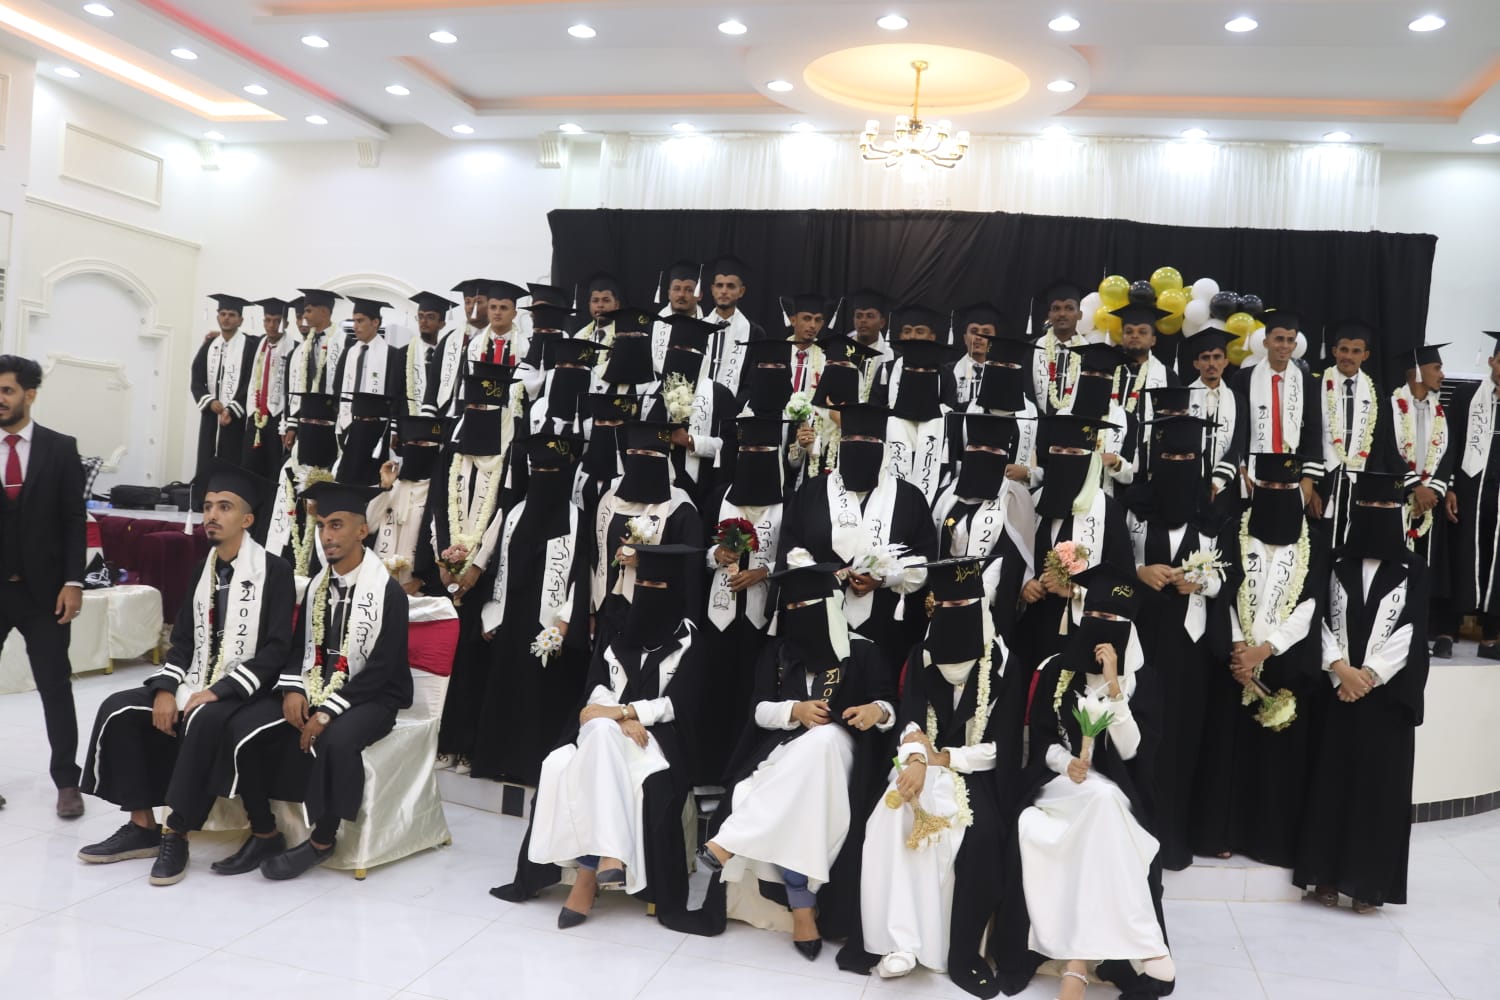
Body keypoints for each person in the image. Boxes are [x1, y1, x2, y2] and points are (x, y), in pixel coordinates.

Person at [77, 462, 294, 883]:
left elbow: (276, 649)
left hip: (248, 689)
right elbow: (183, 641)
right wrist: (166, 688)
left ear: (247, 520)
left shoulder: (275, 571)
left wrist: (220, 690)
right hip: (195, 679)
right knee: (119, 708)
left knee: (204, 717)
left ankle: (176, 832)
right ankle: (142, 827)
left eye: (224, 507)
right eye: (208, 506)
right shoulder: (202, 569)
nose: (212, 514)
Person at [685, 560, 896, 964]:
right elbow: (759, 710)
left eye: (808, 607)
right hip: (786, 756)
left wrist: (876, 711)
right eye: (793, 609)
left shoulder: (863, 651)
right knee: (803, 795)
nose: (799, 616)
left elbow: (890, 706)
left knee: (823, 739)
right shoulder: (779, 653)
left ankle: (727, 842)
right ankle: (802, 907)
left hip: (841, 754)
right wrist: (794, 710)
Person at [495, 543, 703, 926]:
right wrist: (618, 717)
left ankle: (587, 875)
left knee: (602, 741)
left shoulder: (691, 639)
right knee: (570, 754)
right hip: (607, 725)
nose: (648, 592)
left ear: (676, 589)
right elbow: (596, 687)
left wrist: (627, 712)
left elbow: (680, 703)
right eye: (643, 584)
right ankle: (608, 855)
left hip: (656, 736)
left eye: (658, 586)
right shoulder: (618, 628)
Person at [994, 570, 1176, 1000]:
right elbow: (1042, 741)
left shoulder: (1143, 680)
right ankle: (1147, 944)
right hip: (1058, 786)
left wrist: (1114, 685)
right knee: (1101, 797)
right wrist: (1067, 762)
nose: (1100, 626)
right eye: (1093, 615)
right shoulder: (1057, 669)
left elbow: (1132, 751)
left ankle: (1076, 963)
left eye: (1111, 619)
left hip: (1116, 789)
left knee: (1105, 798)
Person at [222, 480, 412, 881]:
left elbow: (381, 669)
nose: (327, 535)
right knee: (247, 725)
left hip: (374, 696)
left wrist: (326, 712)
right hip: (315, 685)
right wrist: (293, 688)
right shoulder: (316, 587)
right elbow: (298, 649)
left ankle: (323, 840)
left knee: (338, 740)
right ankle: (263, 830)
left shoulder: (388, 593)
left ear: (362, 530)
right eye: (322, 525)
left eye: (337, 525)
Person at [860, 556, 1011, 996]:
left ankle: (933, 944)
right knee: (892, 814)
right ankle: (900, 942)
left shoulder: (1003, 664)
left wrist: (943, 758)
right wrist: (916, 761)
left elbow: (1000, 748)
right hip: (917, 764)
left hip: (974, 774)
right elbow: (910, 721)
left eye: (962, 605)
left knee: (963, 833)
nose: (952, 613)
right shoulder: (921, 655)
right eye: (944, 606)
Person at [1295, 471, 1429, 913]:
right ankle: (1325, 876)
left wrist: (1368, 676)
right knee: (1330, 784)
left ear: (1398, 512)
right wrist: (1340, 671)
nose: (1377, 514)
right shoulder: (1335, 561)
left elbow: (1412, 631)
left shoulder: (1414, 568)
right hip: (1337, 693)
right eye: (1368, 507)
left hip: (1385, 699)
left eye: (1386, 507)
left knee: (1378, 791)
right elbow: (1318, 618)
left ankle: (1369, 885)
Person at [1192, 453, 1325, 867]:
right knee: (1226, 749)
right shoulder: (1233, 529)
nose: (1278, 493)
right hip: (1233, 661)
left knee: (1274, 757)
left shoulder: (1314, 539)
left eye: (1287, 488)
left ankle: (1267, 839)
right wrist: (1239, 647)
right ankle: (1221, 833)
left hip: (1282, 660)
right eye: (1269, 487)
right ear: (1255, 487)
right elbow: (1225, 587)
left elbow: (1310, 605)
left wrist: (1265, 650)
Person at [1123, 415, 1231, 871]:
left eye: (1187, 456)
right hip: (1140, 642)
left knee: (1183, 738)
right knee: (1141, 734)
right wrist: (1139, 573)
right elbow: (1112, 561)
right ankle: (1134, 834)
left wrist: (1201, 582)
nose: (1179, 463)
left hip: (1190, 647)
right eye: (1170, 456)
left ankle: (1176, 838)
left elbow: (1229, 577)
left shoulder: (1213, 515)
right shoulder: (1132, 508)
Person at [779, 402, 936, 683]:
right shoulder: (813, 492)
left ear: (883, 447)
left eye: (868, 440)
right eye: (850, 438)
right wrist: (823, 576)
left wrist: (885, 578)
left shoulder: (909, 498)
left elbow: (924, 561)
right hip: (821, 617)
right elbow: (791, 547)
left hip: (886, 624)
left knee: (877, 690)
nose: (858, 444)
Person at [471, 434, 592, 785]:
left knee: (543, 696)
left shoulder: (578, 520)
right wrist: (491, 614)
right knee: (505, 690)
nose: (545, 477)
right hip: (511, 620)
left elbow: (581, 577)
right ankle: (499, 762)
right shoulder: (514, 514)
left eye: (552, 471)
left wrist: (565, 622)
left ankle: (533, 768)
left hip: (550, 625)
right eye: (538, 470)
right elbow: (497, 567)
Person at [421, 362, 520, 770]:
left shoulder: (510, 451)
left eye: (486, 406)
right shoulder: (453, 449)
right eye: (473, 405)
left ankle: (467, 745)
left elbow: (505, 511)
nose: (478, 412)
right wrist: (443, 559)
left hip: (487, 573)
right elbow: (438, 507)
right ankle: (442, 741)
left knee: (475, 661)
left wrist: (477, 564)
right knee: (445, 657)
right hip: (447, 569)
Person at [0, 355, 86, 817]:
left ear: (29, 395)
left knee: (55, 687)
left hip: (46, 595)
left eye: (7, 390)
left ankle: (67, 783)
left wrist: (74, 582)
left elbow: (74, 520)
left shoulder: (60, 448)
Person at [697, 415, 788, 786]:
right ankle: (707, 771)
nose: (754, 454)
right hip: (716, 618)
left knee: (752, 693)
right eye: (747, 448)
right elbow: (697, 550)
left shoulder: (787, 502)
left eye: (762, 449)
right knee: (713, 690)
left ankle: (742, 775)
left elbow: (795, 555)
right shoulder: (719, 497)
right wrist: (714, 555)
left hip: (760, 623)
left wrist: (763, 571)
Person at [1018, 413, 1136, 669]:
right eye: (1057, 451)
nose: (1064, 458)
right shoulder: (1034, 501)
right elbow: (1015, 557)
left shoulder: (1108, 510)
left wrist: (1075, 590)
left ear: (1089, 459)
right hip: (1033, 627)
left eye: (1073, 452)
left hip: (1080, 631)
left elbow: (1124, 585)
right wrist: (1024, 584)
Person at [589, 418, 703, 641]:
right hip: (609, 610)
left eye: (648, 454)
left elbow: (690, 570)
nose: (639, 458)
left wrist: (646, 561)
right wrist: (590, 610)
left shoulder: (680, 509)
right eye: (633, 452)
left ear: (663, 459)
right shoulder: (609, 501)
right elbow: (595, 555)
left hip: (658, 618)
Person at [930, 412, 1036, 638]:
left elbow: (1010, 556)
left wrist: (972, 596)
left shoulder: (1015, 498)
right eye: (976, 447)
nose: (983, 454)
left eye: (993, 450)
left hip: (990, 608)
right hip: (944, 603)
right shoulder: (948, 495)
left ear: (1005, 455)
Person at [1391, 344, 1457, 658]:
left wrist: (1432, 492)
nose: (1442, 375)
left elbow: (1447, 455)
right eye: (1436, 368)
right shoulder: (1391, 405)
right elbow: (1387, 450)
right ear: (1418, 371)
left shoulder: (1440, 411)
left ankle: (1420, 633)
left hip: (1429, 503)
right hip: (1397, 499)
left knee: (1426, 569)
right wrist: (1414, 487)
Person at [1229, 311, 1324, 517]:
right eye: (1279, 339)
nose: (1285, 345)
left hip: (1292, 473)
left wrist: (1308, 478)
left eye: (1290, 340)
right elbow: (1236, 427)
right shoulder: (1243, 379)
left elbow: (1314, 431)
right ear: (1266, 342)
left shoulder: (1307, 382)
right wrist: (1240, 466)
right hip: (1252, 473)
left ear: (1295, 345)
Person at [641, 314, 738, 510]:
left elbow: (731, 447)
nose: (677, 353)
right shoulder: (650, 391)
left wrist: (690, 441)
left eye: (685, 349)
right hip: (652, 486)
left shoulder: (719, 394)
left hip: (701, 490)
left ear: (701, 354)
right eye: (673, 348)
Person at [1312, 321, 1390, 547]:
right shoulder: (1316, 385)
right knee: (1317, 542)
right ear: (1334, 351)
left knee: (1351, 541)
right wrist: (1311, 485)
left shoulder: (1374, 391)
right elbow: (1308, 436)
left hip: (1357, 482)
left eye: (1356, 351)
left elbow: (1379, 442)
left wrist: (1373, 490)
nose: (1348, 356)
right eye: (1343, 349)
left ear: (1365, 355)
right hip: (1323, 479)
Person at [1449, 332, 1500, 658]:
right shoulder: (1467, 395)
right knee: (1464, 553)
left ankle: (1491, 632)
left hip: (1498, 493)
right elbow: (1450, 442)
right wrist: (1450, 486)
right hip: (1470, 490)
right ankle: (1454, 625)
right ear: (1493, 361)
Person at [876, 325, 962, 506]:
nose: (920, 376)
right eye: (912, 370)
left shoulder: (948, 424)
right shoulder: (884, 422)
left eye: (928, 372)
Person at [264, 391, 338, 579]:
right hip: (289, 552)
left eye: (322, 423)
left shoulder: (339, 469)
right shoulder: (288, 467)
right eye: (307, 421)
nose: (313, 427)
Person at [367, 415, 446, 591]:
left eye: (420, 444)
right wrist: (385, 486)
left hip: (416, 589)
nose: (412, 448)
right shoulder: (393, 486)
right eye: (408, 443)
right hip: (379, 582)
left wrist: (420, 582)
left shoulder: (439, 492)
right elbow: (369, 525)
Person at [190, 293, 261, 475]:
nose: (226, 318)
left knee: (232, 464)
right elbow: (196, 379)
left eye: (231, 315)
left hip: (236, 418)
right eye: (223, 314)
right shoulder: (210, 345)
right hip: (211, 416)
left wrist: (232, 408)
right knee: (206, 462)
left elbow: (251, 381)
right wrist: (209, 401)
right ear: (217, 317)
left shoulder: (250, 346)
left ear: (240, 320)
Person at [1184, 329, 1248, 526]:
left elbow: (1238, 445)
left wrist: (1217, 481)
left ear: (1226, 361)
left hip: (1225, 486)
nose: (1211, 363)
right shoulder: (1183, 397)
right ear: (1196, 363)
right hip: (1190, 485)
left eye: (1217, 357)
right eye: (1205, 358)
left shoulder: (1238, 400)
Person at [241, 297, 302, 480]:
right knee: (249, 466)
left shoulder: (295, 349)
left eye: (277, 321)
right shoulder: (256, 345)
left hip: (278, 416)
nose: (272, 325)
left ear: (286, 323)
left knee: (274, 469)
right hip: (255, 414)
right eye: (267, 320)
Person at [281, 288, 347, 452]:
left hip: (332, 421)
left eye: (309, 311)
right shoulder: (299, 350)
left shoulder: (346, 344)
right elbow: (292, 388)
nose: (305, 316)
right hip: (306, 421)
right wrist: (292, 425)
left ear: (324, 312)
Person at [702, 255, 766, 393]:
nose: (724, 291)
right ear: (712, 289)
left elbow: (752, 381)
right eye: (719, 285)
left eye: (730, 286)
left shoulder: (754, 333)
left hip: (734, 404)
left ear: (741, 291)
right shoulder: (698, 327)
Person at [1029, 279, 1090, 415]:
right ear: (1049, 315)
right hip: (1037, 423)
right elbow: (1027, 392)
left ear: (1080, 315)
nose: (1062, 313)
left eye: (1069, 308)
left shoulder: (1091, 352)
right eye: (1056, 308)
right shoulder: (1032, 349)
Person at [404, 291, 455, 417]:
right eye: (420, 316)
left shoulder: (448, 355)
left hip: (438, 419)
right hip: (408, 420)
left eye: (430, 317)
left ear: (442, 324)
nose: (423, 321)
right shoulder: (403, 354)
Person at [942, 302, 999, 409]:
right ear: (965, 338)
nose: (979, 337)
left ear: (994, 340)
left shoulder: (1001, 373)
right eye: (974, 331)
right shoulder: (948, 372)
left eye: (986, 332)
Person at [651, 259, 703, 372]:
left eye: (689, 290)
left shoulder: (710, 325)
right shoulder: (652, 325)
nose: (681, 294)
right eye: (676, 288)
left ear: (699, 295)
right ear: (669, 293)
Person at [780, 293, 830, 395]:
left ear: (821, 324)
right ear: (793, 320)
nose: (813, 325)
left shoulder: (826, 359)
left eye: (817, 320)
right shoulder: (778, 354)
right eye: (807, 318)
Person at [574, 272, 624, 346]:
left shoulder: (624, 336)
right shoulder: (579, 337)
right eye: (595, 301)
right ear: (589, 305)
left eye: (606, 300)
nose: (600, 305)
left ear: (616, 305)